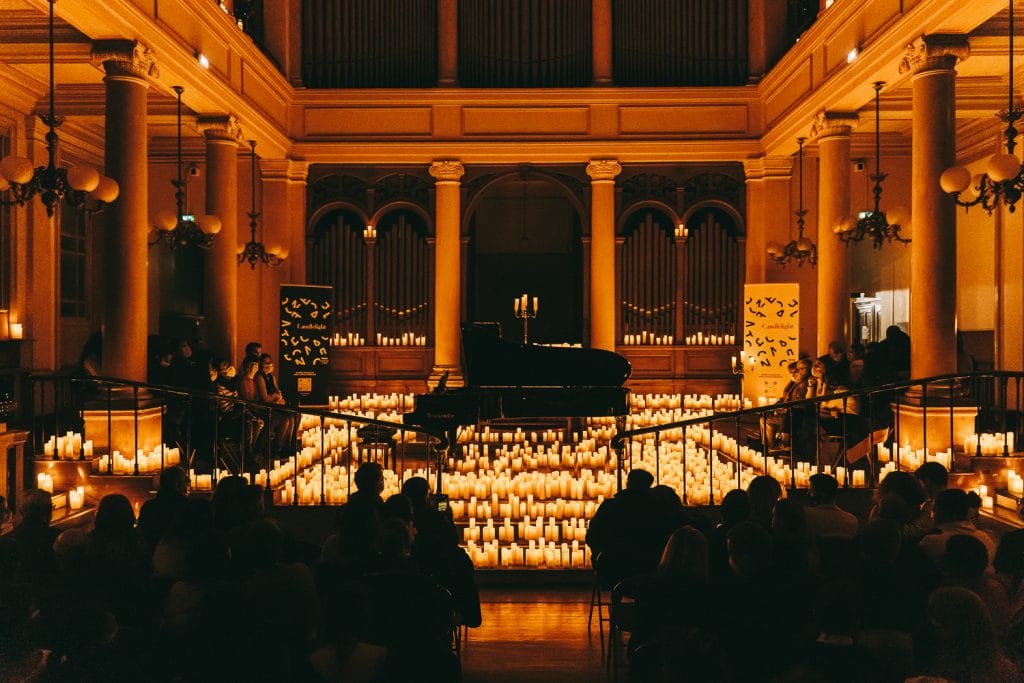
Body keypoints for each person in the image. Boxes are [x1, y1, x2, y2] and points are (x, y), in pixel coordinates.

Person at [586, 468, 668, 587]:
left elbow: (592, 536)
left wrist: (602, 553)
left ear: (628, 483)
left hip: (612, 567)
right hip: (648, 568)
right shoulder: (657, 510)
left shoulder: (610, 507)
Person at [255, 353, 296, 458]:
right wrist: (275, 398)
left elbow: (278, 392)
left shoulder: (271, 377)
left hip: (275, 404)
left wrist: (277, 398)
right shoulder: (259, 377)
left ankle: (287, 446)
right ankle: (276, 449)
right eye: (267, 362)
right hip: (265, 406)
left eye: (270, 362)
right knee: (284, 420)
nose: (270, 364)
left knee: (292, 416)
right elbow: (264, 398)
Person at [804, 473, 858, 539]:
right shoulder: (851, 521)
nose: (807, 493)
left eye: (811, 491)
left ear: (822, 494)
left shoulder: (806, 516)